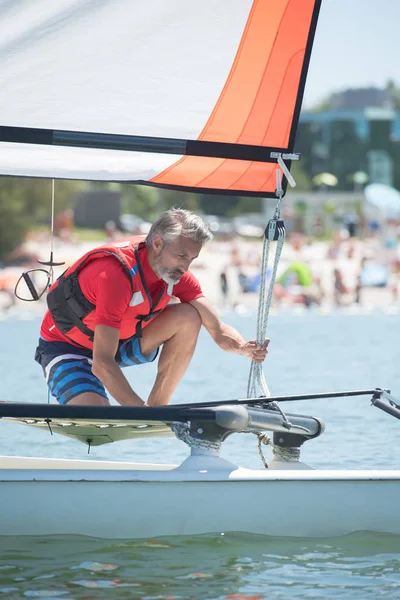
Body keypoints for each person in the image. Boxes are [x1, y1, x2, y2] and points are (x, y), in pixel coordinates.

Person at [35, 209, 269, 407]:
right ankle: (148, 413)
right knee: (97, 423)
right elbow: (102, 362)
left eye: (191, 258)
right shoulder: (115, 275)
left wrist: (244, 348)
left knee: (189, 316)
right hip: (67, 349)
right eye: (180, 255)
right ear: (157, 243)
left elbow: (217, 329)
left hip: (117, 344)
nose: (185, 266)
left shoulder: (177, 274)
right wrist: (139, 413)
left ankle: (158, 407)